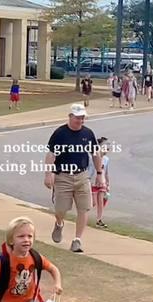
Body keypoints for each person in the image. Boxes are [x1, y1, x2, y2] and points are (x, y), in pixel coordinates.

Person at [44, 103, 104, 253]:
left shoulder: (88, 133)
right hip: (63, 176)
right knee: (61, 209)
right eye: (78, 118)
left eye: (83, 118)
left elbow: (95, 154)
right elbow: (51, 155)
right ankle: (59, 223)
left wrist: (99, 174)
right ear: (70, 117)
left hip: (82, 176)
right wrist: (48, 174)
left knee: (84, 208)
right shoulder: (60, 133)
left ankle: (77, 240)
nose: (81, 121)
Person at [88, 137, 110, 228]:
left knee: (101, 201)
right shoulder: (91, 157)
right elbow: (88, 169)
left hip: (102, 182)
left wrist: (108, 183)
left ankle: (99, 219)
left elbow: (106, 171)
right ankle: (83, 215)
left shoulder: (106, 159)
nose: (107, 149)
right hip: (92, 181)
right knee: (92, 202)